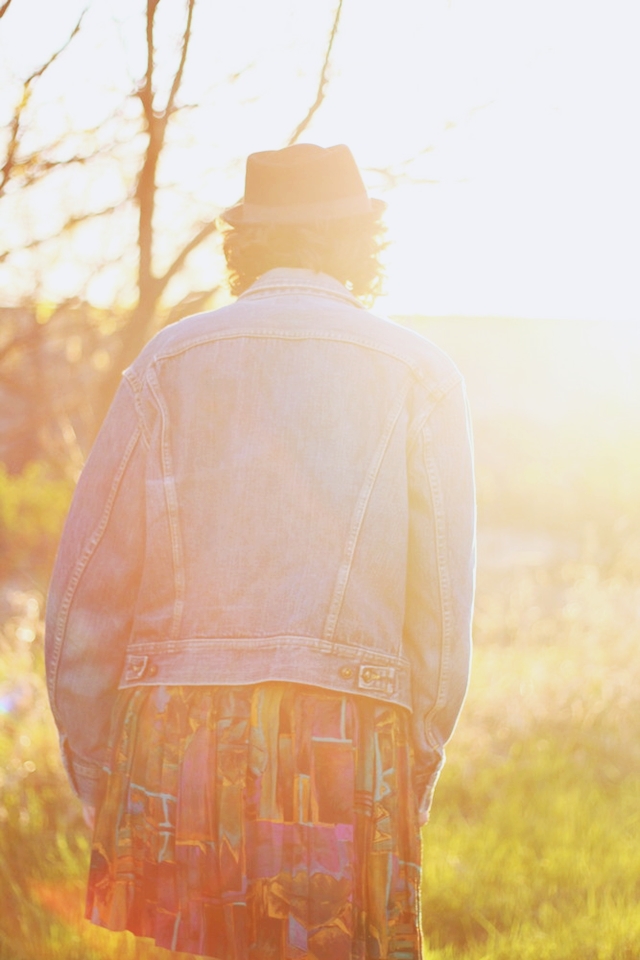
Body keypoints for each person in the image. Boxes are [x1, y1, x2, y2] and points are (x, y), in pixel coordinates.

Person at [45, 143, 475, 960]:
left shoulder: (165, 365)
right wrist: (405, 777)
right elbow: (443, 621)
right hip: (346, 744)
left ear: (243, 243)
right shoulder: (421, 376)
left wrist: (111, 780)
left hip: (176, 740)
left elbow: (81, 605)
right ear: (358, 243)